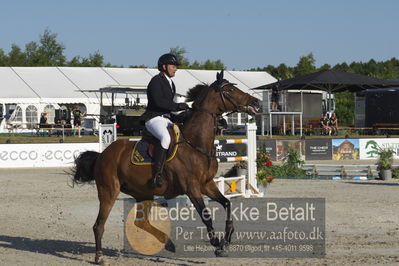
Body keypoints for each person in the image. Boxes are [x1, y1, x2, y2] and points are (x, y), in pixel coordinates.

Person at [141, 53, 189, 187]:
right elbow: (159, 102)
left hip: (166, 119)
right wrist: (177, 106)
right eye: (173, 66)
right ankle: (156, 175)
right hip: (154, 118)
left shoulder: (171, 83)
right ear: (164, 66)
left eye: (175, 66)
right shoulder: (156, 80)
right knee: (166, 138)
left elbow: (168, 107)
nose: (175, 69)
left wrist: (182, 114)